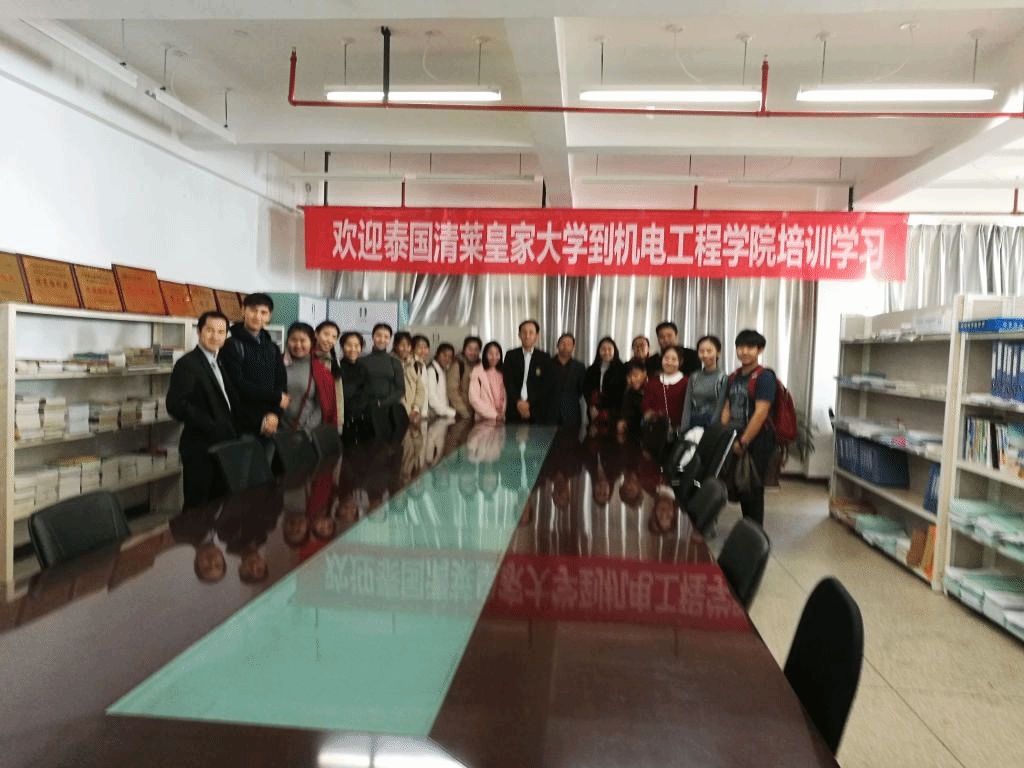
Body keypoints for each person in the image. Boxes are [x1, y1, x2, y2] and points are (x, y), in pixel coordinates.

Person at [166, 310, 239, 510]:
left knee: (219, 506)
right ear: (199, 332)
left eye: (221, 332)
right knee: (197, 508)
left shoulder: (219, 361)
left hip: (223, 445)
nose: (215, 336)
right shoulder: (187, 364)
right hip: (200, 447)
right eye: (210, 330)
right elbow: (176, 405)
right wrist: (212, 424)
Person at [720, 329, 777, 527]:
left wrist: (744, 441)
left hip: (757, 439)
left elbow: (761, 413)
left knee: (753, 488)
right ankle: (748, 528)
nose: (744, 351)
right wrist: (725, 435)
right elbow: (727, 407)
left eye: (750, 347)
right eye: (740, 347)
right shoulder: (733, 377)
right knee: (741, 486)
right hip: (735, 436)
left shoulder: (764, 377)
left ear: (759, 350)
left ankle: (755, 532)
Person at [218, 293, 288, 444]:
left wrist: (274, 415)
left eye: (263, 312)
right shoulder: (231, 345)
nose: (257, 316)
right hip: (243, 426)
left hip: (270, 424)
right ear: (243, 311)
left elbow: (281, 384)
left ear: (269, 316)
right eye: (253, 310)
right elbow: (237, 386)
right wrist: (275, 397)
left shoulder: (272, 348)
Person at [281, 321, 338, 433]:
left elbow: (322, 407)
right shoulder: (277, 362)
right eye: (293, 340)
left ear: (311, 342)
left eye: (303, 341)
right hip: (275, 431)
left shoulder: (320, 371)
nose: (298, 345)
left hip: (306, 433)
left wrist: (306, 432)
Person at [362, 322, 406, 439]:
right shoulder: (362, 361)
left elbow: (400, 389)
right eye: (379, 335)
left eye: (386, 337)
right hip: (366, 412)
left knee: (389, 445)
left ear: (390, 339)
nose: (382, 340)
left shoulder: (395, 362)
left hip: (389, 412)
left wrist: (381, 403)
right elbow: (359, 387)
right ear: (372, 337)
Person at [503, 319, 551, 424]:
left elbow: (545, 385)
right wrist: (518, 402)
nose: (527, 336)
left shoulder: (545, 357)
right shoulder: (510, 355)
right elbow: (508, 381)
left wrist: (529, 404)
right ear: (519, 335)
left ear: (537, 336)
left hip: (536, 410)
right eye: (524, 332)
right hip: (514, 408)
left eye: (531, 332)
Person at [680, 334, 729, 431]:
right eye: (701, 351)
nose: (705, 355)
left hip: (713, 427)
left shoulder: (723, 378)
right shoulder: (694, 377)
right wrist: (684, 429)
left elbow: (720, 407)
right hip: (693, 425)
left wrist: (711, 431)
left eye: (709, 351)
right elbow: (687, 405)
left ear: (718, 353)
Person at [641, 345, 687, 443]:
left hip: (679, 434)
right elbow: (645, 405)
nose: (669, 362)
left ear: (680, 362)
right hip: (654, 433)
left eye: (674, 359)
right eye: (666, 358)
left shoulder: (687, 382)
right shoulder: (653, 382)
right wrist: (653, 415)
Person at [582, 336, 626, 432]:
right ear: (599, 351)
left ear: (615, 351)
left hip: (614, 415)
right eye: (603, 349)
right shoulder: (591, 369)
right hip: (594, 414)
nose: (606, 352)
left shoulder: (622, 369)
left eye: (609, 349)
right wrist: (592, 406)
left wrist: (607, 411)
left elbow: (622, 394)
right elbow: (586, 389)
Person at [337, 331, 373, 441]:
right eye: (349, 345)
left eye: (357, 345)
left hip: (363, 421)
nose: (353, 349)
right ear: (342, 347)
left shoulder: (364, 368)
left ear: (361, 348)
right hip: (345, 422)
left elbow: (369, 393)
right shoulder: (337, 368)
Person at [548, 332, 586, 426]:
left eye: (569, 344)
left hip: (572, 415)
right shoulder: (547, 364)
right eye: (563, 343)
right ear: (557, 345)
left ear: (573, 347)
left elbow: (581, 390)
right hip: (549, 415)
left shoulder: (579, 367)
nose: (565, 347)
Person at [314, 320, 344, 434]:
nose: (329, 340)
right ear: (316, 334)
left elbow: (338, 396)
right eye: (326, 334)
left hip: (326, 421)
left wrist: (338, 425)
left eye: (334, 337)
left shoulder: (334, 362)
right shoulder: (307, 358)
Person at [393, 331, 426, 426]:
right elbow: (393, 392)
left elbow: (420, 389)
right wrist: (407, 411)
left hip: (413, 414)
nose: (405, 349)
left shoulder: (414, 364)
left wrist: (416, 409)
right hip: (397, 414)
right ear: (395, 346)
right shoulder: (390, 363)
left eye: (408, 345)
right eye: (402, 345)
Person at [469, 341, 506, 421]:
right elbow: (474, 399)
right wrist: (494, 415)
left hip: (502, 418)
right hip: (484, 418)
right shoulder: (477, 371)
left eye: (497, 354)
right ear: (485, 355)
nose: (494, 357)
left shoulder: (503, 371)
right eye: (491, 354)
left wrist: (502, 414)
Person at [448, 335, 482, 420]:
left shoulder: (480, 366)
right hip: (461, 414)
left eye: (476, 349)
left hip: (477, 413)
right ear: (464, 350)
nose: (473, 352)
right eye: (470, 349)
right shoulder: (458, 365)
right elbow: (453, 393)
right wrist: (466, 414)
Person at [616, 359, 648, 437]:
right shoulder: (629, 392)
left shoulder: (651, 391)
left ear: (644, 374)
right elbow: (625, 415)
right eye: (629, 376)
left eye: (636, 375)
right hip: (632, 434)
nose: (632, 379)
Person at [426, 342, 457, 419]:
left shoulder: (444, 370)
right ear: (437, 354)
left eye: (450, 357)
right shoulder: (431, 371)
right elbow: (432, 399)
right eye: (444, 355)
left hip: (443, 414)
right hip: (434, 416)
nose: (446, 359)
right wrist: (452, 412)